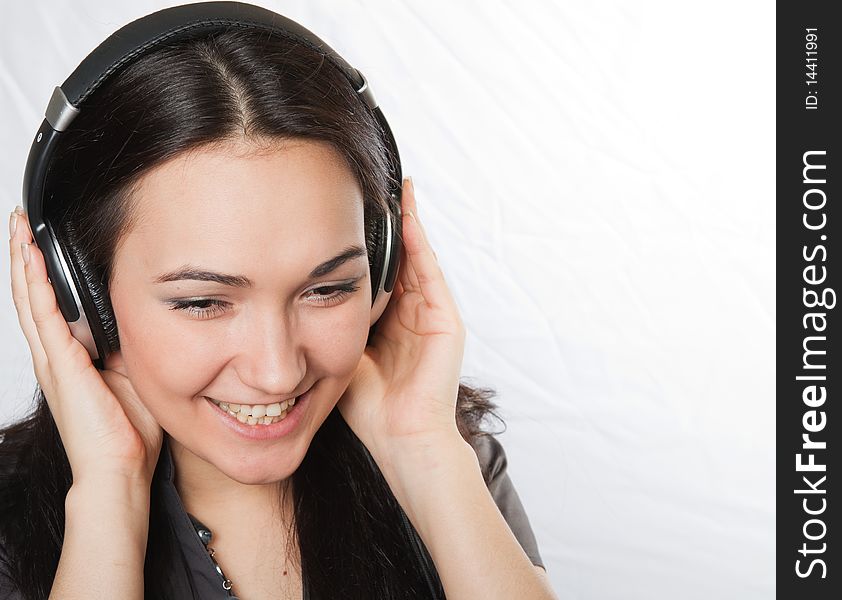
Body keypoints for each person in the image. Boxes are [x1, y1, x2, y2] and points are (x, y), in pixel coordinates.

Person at [0, 9, 556, 600]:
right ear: (80, 295)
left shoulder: (450, 461)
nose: (278, 372)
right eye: (203, 302)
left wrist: (424, 452)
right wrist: (109, 492)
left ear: (383, 266)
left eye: (328, 289)